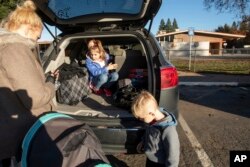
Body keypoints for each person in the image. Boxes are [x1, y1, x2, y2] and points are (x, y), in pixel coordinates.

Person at [0, 0, 58, 162]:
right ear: (29, 28)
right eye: (37, 36)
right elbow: (35, 98)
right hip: (22, 136)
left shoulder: (4, 47)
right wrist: (52, 83)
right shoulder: (16, 49)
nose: (37, 41)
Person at [131, 90, 180, 167]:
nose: (140, 120)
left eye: (142, 118)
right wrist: (143, 142)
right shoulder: (151, 121)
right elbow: (148, 133)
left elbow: (173, 155)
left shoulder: (168, 130)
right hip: (150, 158)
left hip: (160, 163)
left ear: (151, 113)